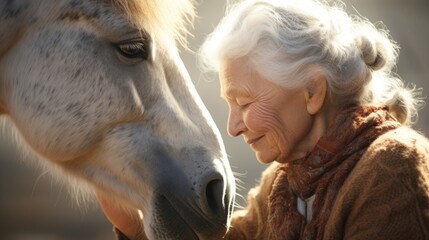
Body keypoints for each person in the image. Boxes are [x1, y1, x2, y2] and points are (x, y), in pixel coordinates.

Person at [99, 0, 429, 239]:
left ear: (312, 91)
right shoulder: (285, 183)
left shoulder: (393, 167)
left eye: (244, 102)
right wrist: (134, 225)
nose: (233, 127)